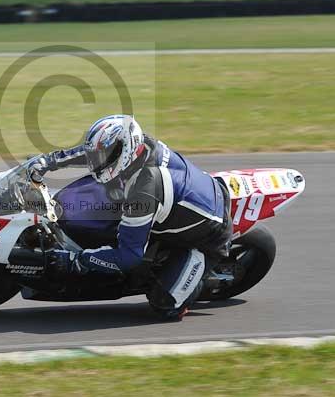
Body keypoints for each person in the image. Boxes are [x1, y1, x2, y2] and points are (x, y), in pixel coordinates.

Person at [28, 114, 232, 320]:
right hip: (183, 201)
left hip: (209, 234)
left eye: (104, 156)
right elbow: (91, 152)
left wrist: (76, 261)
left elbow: (129, 257)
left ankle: (192, 277)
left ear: (125, 151)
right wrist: (47, 162)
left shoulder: (144, 190)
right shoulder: (139, 146)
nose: (96, 161)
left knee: (164, 305)